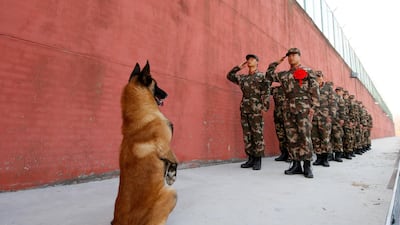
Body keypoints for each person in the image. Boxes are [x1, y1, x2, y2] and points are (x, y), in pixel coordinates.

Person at [266, 48, 320, 178]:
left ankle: (307, 166)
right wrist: (276, 62)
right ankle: (296, 165)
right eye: (289, 56)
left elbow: (315, 89)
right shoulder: (284, 74)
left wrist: (314, 107)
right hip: (288, 108)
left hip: (304, 108)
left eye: (294, 55)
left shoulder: (307, 72)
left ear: (299, 57)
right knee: (291, 137)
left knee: (304, 136)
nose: (291, 58)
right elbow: (268, 75)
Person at [227, 54, 271, 170]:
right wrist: (238, 67)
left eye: (252, 59)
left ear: (257, 62)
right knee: (247, 134)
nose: (249, 61)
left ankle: (258, 159)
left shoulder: (262, 76)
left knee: (257, 133)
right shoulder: (243, 78)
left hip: (256, 108)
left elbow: (266, 92)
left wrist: (264, 107)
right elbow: (230, 76)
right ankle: (250, 158)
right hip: (244, 108)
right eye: (248, 59)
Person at [311, 72, 336, 167]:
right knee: (315, 138)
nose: (317, 79)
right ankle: (318, 158)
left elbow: (333, 102)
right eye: (316, 77)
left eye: (319, 77)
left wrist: (331, 115)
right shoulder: (312, 87)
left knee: (325, 138)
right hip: (314, 117)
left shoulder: (328, 88)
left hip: (325, 117)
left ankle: (325, 159)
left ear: (322, 77)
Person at [271, 85, 290, 162]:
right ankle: (284, 153)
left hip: (288, 117)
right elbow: (264, 89)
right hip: (278, 115)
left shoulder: (290, 88)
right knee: (280, 135)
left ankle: (291, 155)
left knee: (289, 136)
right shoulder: (275, 89)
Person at [331, 86, 346, 162]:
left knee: (338, 137)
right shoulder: (333, 97)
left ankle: (338, 155)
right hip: (331, 120)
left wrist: (342, 119)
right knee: (330, 137)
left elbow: (342, 110)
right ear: (338, 91)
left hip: (337, 120)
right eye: (341, 91)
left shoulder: (340, 99)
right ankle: (330, 155)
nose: (342, 93)